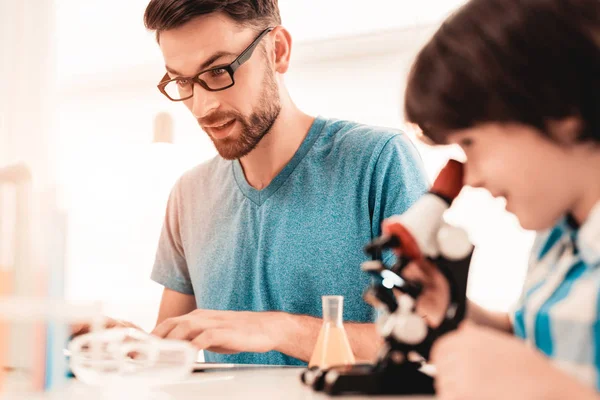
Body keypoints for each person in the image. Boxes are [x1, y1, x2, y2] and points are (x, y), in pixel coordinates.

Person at [133, 0, 429, 366]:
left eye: (218, 71)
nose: (201, 107)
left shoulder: (379, 161)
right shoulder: (188, 195)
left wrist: (278, 330)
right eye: (183, 81)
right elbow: (168, 354)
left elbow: (423, 341)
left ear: (278, 51)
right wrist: (118, 344)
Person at [400, 0, 600, 398]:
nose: (469, 178)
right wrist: (461, 312)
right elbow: (549, 341)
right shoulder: (557, 239)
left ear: (561, 110)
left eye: (471, 143)